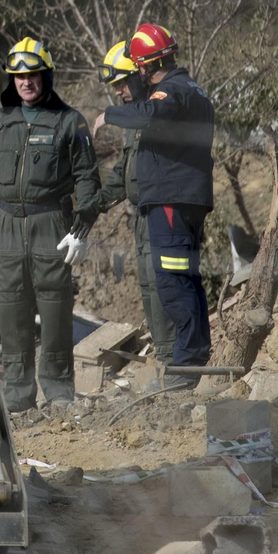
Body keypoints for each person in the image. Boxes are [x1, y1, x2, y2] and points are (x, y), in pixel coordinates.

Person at [0, 38, 102, 412]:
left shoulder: (70, 121)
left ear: (46, 77)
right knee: (12, 309)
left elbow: (87, 179)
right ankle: (17, 395)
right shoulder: (2, 121)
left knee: (55, 309)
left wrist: (81, 229)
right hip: (8, 225)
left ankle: (59, 392)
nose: (25, 83)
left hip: (51, 224)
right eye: (19, 77)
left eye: (32, 75)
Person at [91, 24, 215, 370]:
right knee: (187, 281)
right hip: (184, 199)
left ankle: (186, 364)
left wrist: (108, 115)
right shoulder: (192, 89)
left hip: (172, 201)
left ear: (145, 66)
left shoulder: (171, 90)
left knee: (172, 283)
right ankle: (195, 358)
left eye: (137, 67)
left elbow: (151, 112)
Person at [92, 40, 176, 363]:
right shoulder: (134, 123)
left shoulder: (157, 110)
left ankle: (176, 366)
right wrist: (96, 204)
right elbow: (126, 170)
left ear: (140, 75)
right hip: (142, 218)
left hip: (163, 214)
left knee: (164, 287)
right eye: (114, 86)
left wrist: (111, 116)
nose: (118, 92)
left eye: (122, 83)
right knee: (148, 288)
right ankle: (165, 362)